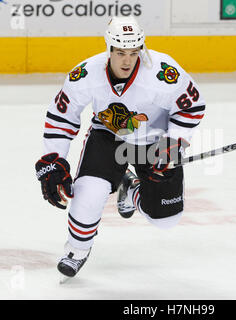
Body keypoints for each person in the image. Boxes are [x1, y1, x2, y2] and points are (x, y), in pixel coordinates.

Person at [35, 16, 206, 278]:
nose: (127, 60)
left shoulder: (163, 73)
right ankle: (77, 250)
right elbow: (61, 118)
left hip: (155, 140)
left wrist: (172, 145)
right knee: (88, 196)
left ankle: (131, 189)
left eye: (134, 52)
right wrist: (54, 159)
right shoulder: (85, 74)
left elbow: (191, 107)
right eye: (120, 53)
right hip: (109, 136)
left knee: (165, 219)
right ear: (109, 49)